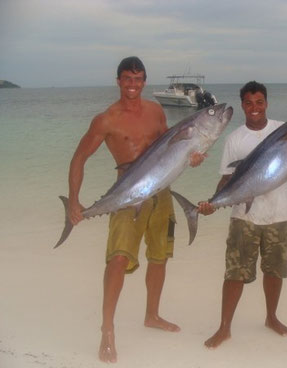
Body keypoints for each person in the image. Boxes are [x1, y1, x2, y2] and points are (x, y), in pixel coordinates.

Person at [67, 56, 204, 363]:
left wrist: (192, 158)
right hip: (126, 198)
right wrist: (74, 200)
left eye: (138, 79)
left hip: (161, 194)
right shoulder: (106, 119)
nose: (133, 84)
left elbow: (171, 151)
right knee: (117, 259)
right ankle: (107, 329)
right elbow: (78, 159)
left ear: (144, 81)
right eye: (127, 79)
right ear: (118, 81)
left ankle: (152, 315)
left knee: (159, 257)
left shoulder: (156, 112)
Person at [198, 81, 287, 349]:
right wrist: (213, 202)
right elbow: (226, 179)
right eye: (248, 103)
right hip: (243, 217)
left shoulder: (284, 130)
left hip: (279, 214)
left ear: (266, 102)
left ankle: (271, 317)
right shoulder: (234, 139)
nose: (254, 108)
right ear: (243, 105)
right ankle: (224, 327)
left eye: (259, 102)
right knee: (235, 273)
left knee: (274, 271)